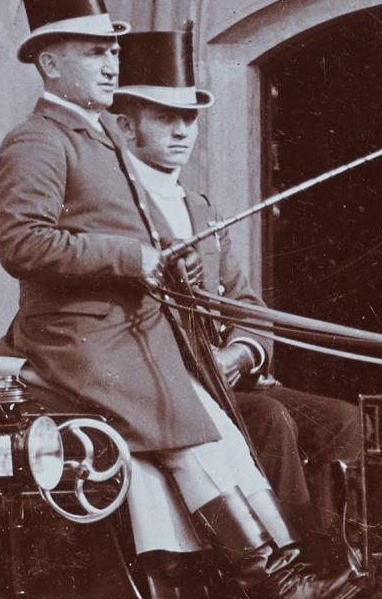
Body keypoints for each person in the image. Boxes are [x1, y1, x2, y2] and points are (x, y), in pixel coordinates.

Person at [0, 0, 351, 599]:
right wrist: (133, 258)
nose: (109, 64)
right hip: (80, 337)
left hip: (134, 334)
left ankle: (285, 568)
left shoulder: (98, 138)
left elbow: (148, 236)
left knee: (223, 433)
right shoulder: (36, 142)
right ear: (48, 63)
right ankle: (264, 584)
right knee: (189, 433)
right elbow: (22, 243)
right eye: (93, 51)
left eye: (111, 51)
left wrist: (171, 267)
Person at [109, 29, 363, 539]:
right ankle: (294, 566)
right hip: (171, 393)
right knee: (269, 419)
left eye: (189, 119)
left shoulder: (199, 209)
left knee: (343, 421)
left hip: (225, 380)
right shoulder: (114, 206)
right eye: (165, 118)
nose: (182, 131)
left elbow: (246, 304)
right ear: (125, 127)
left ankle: (345, 558)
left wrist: (239, 356)